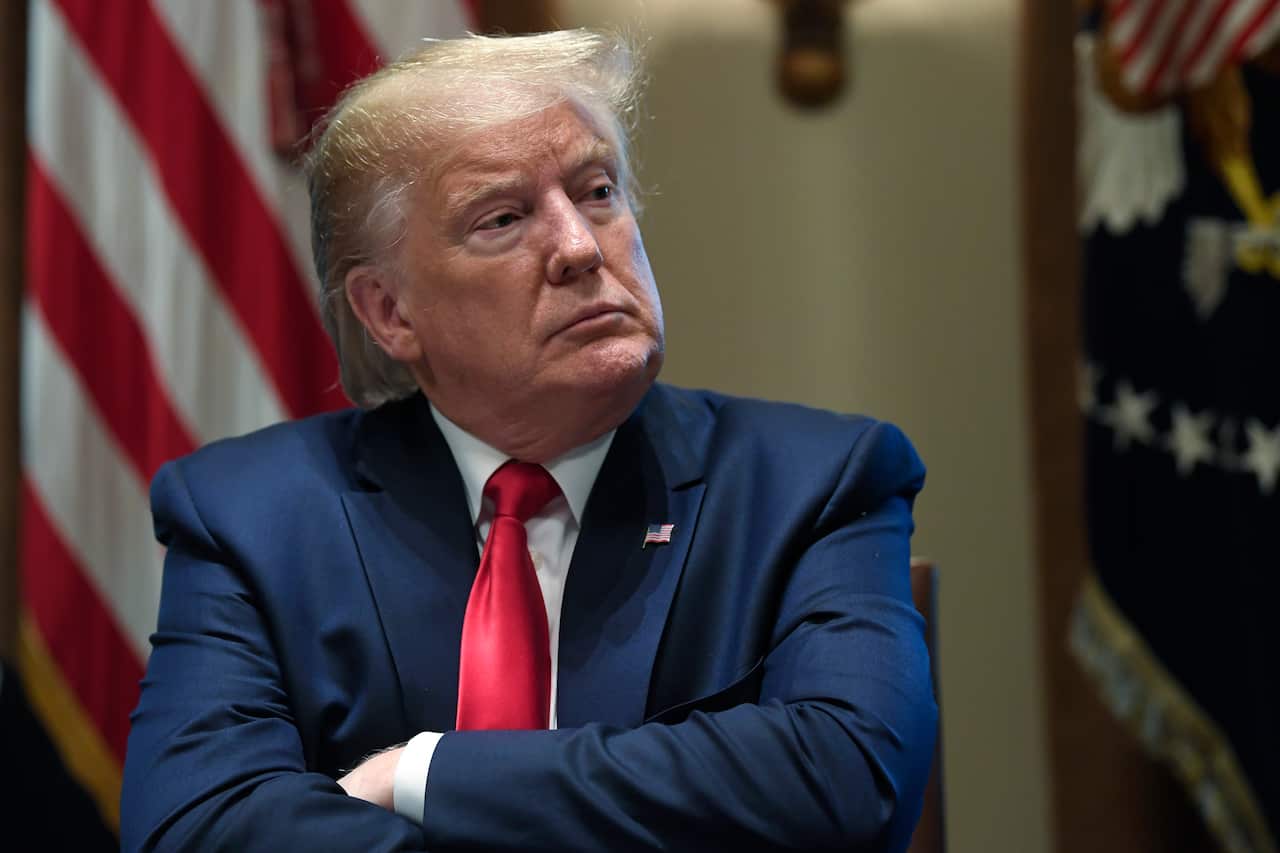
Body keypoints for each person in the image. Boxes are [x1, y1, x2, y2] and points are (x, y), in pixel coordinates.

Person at [120, 29, 936, 852]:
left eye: (598, 192)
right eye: (504, 218)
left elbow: (847, 781)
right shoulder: (251, 518)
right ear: (391, 313)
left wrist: (421, 776)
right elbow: (195, 826)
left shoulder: (816, 483)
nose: (581, 248)